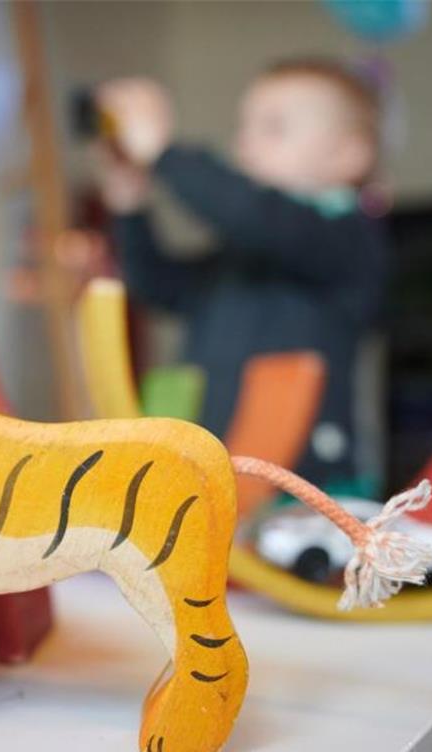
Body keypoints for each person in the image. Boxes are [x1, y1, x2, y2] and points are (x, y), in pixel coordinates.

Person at [92, 59, 388, 487]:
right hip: (218, 478)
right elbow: (158, 286)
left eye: (273, 128)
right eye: (244, 127)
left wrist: (164, 153)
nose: (245, 143)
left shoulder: (345, 237)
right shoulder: (241, 256)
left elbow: (251, 212)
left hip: (309, 485)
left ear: (347, 154)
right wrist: (130, 207)